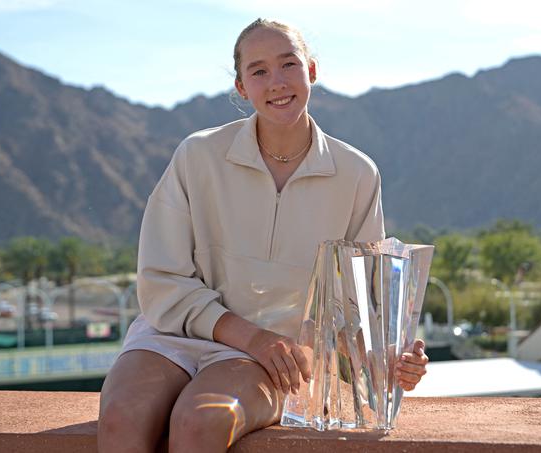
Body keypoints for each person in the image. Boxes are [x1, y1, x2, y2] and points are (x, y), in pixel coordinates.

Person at [98, 18, 429, 453]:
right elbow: (161, 279)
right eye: (258, 71)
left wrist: (390, 358)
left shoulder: (357, 173)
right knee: (122, 417)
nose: (276, 82)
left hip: (274, 358)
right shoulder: (198, 156)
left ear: (311, 70)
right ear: (241, 87)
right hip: (172, 334)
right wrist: (249, 334)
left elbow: (357, 300)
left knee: (200, 423)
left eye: (288, 64)